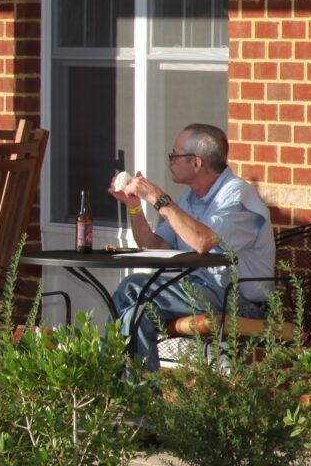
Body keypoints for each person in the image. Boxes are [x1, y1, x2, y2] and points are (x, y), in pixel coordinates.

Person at [107, 123, 277, 371]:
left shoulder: (237, 196)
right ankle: (139, 400)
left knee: (131, 286)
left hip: (239, 300)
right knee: (137, 314)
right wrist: (133, 206)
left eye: (174, 155)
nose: (170, 161)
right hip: (199, 290)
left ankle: (105, 379)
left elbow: (203, 241)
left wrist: (157, 197)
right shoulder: (189, 199)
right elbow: (154, 245)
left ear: (196, 163)